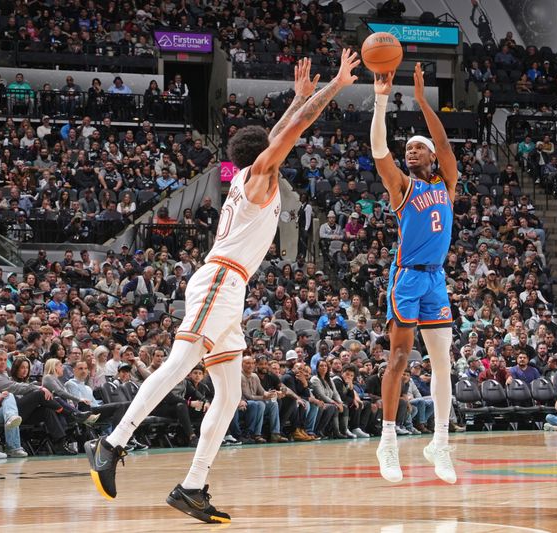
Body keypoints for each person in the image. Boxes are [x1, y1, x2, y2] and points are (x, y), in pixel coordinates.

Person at [85, 52, 360, 523]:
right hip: (220, 281)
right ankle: (111, 443)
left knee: (229, 395)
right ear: (265, 157)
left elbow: (280, 132)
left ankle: (191, 487)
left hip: (230, 290)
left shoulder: (249, 177)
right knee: (179, 364)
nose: (282, 150)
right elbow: (294, 131)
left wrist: (295, 99)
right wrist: (333, 85)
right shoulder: (259, 178)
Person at [371, 63, 458, 484]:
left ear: (432, 157)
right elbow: (378, 152)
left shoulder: (447, 183)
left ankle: (439, 442)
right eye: (407, 148)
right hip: (406, 277)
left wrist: (423, 100)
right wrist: (381, 100)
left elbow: (442, 140)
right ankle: (387, 440)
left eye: (417, 148)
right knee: (400, 357)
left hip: (436, 278)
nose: (411, 151)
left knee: (443, 364)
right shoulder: (403, 188)